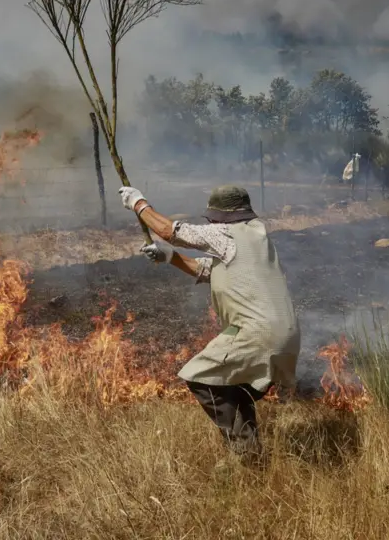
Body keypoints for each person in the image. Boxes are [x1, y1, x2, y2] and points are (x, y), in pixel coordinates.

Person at [117, 183, 301, 456]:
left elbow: (171, 232)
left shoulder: (225, 233)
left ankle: (246, 453)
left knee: (200, 378)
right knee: (234, 386)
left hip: (256, 333)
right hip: (286, 335)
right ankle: (251, 449)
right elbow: (207, 269)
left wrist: (138, 203)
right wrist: (170, 257)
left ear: (219, 217)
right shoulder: (256, 237)